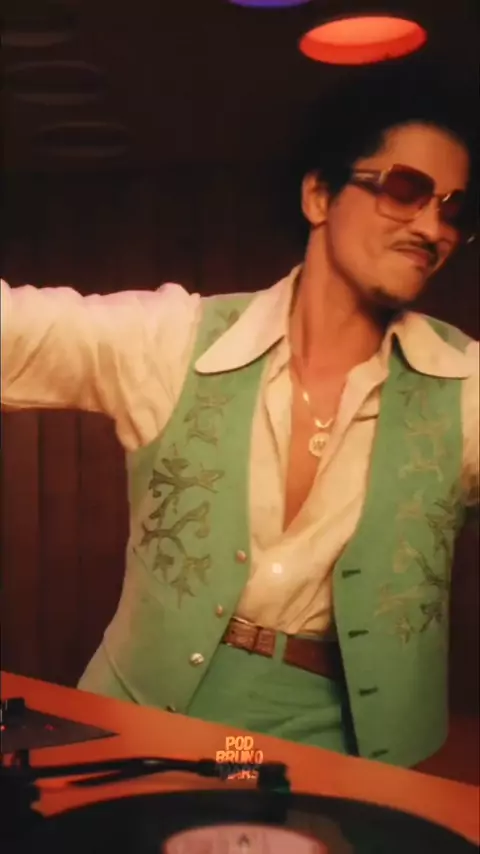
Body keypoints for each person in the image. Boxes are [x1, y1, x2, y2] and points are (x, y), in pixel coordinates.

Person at [1, 64, 478, 769]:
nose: (432, 227)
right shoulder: (174, 341)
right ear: (319, 195)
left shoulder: (465, 389)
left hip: (350, 759)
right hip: (136, 724)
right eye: (405, 190)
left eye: (453, 209)